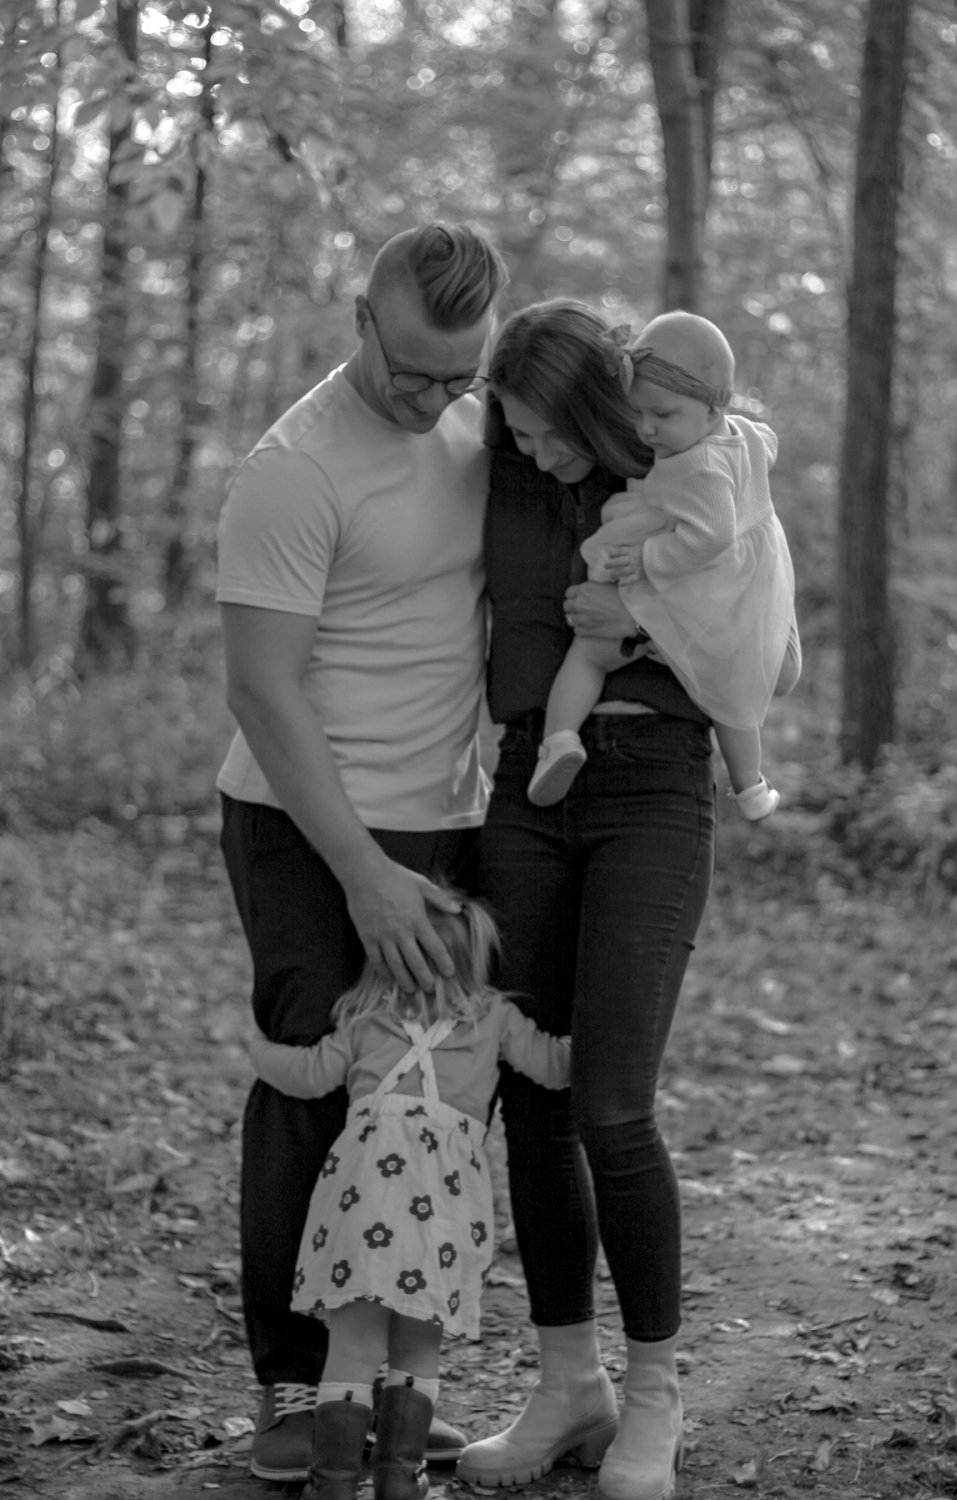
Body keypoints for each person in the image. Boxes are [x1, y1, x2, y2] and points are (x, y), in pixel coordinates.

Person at [215, 222, 508, 1483]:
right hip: (304, 824)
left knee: (425, 1095)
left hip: (447, 817)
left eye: (458, 376)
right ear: (360, 320)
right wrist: (362, 874)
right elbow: (262, 689)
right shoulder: (292, 470)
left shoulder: (478, 429)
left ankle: (387, 1381)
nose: (433, 399)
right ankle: (294, 1391)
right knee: (313, 1092)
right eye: (411, 373)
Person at [455, 300, 717, 1500]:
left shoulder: (688, 472)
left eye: (549, 429)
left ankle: (654, 1395)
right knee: (533, 1099)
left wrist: (645, 618)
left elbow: (769, 643)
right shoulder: (494, 471)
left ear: (600, 409)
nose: (535, 450)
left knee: (612, 1102)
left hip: (654, 783)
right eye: (516, 430)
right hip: (527, 782)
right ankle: (568, 1387)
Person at [246, 891, 570, 1500]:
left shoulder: (366, 1020)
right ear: (476, 959)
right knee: (419, 1343)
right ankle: (401, 1477)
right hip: (444, 1213)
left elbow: (308, 1075)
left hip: (360, 1205)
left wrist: (258, 1049)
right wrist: (608, 1040)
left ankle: (333, 1482)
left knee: (353, 1342)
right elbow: (553, 1065)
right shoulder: (495, 1018)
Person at [526, 310, 800, 819]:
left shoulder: (698, 465)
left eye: (663, 415)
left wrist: (648, 558)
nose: (646, 428)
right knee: (736, 688)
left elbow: (712, 535)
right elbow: (768, 445)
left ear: (713, 406)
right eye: (639, 413)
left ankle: (558, 738)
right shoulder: (742, 433)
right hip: (755, 575)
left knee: (590, 650)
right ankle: (751, 788)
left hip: (688, 570)